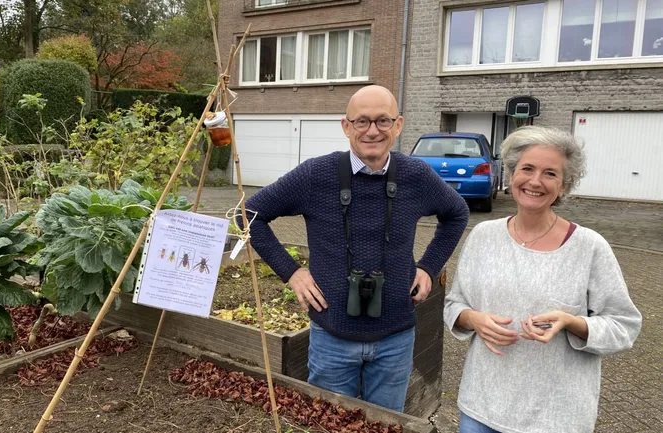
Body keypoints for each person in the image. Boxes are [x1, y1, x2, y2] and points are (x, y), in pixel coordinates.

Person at [241, 85, 469, 411]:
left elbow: (457, 213)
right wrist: (291, 272)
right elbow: (248, 215)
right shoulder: (316, 175)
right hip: (331, 338)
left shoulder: (415, 176)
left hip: (396, 339)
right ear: (346, 126)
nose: (372, 131)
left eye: (383, 120)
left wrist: (429, 266)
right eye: (362, 121)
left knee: (385, 425)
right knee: (329, 423)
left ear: (398, 125)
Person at [444, 126, 642, 433]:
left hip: (555, 417)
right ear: (511, 175)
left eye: (550, 173)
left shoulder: (589, 247)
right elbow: (454, 303)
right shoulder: (483, 236)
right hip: (481, 408)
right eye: (527, 169)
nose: (535, 181)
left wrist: (573, 322)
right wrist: (473, 319)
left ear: (564, 185)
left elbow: (624, 325)